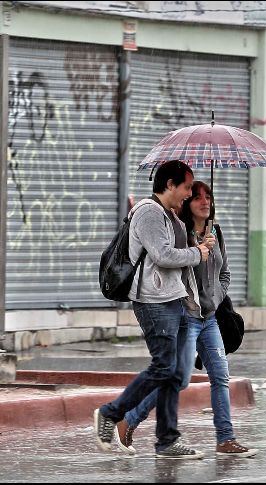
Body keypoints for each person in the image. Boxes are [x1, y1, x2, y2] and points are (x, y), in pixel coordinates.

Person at [115, 181, 256, 458]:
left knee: (220, 377)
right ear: (188, 203)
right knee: (177, 379)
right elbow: (171, 268)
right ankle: (129, 420)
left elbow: (224, 273)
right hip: (187, 317)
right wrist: (197, 251)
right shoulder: (179, 233)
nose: (204, 202)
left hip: (210, 318)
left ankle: (225, 439)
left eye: (208, 197)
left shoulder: (216, 231)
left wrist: (215, 297)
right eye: (198, 197)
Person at [93, 161, 215, 460]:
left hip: (175, 299)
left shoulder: (169, 213)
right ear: (170, 184)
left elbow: (171, 252)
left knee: (173, 374)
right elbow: (162, 255)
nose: (189, 194)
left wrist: (199, 244)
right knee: (163, 367)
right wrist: (195, 254)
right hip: (153, 301)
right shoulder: (149, 211)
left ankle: (167, 441)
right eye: (187, 187)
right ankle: (110, 413)